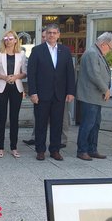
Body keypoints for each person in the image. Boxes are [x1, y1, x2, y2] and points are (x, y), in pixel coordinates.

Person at [26, 23, 75, 161]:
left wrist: (70, 91)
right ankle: (40, 150)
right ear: (45, 35)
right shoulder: (37, 50)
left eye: (54, 33)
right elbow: (32, 73)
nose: (52, 35)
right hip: (41, 95)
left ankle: (55, 150)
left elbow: (70, 73)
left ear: (58, 35)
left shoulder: (65, 51)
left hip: (59, 94)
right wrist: (33, 93)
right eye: (49, 33)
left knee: (57, 124)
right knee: (41, 123)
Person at [76, 32, 112, 161]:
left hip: (95, 97)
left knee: (95, 124)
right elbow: (94, 74)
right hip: (90, 96)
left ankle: (92, 149)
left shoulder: (96, 52)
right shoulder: (92, 53)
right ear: (104, 44)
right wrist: (106, 89)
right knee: (88, 124)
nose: (110, 51)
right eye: (110, 47)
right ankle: (82, 150)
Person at [0, 30, 27, 158]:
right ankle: (0, 147)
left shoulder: (21, 54)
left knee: (14, 118)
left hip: (16, 88)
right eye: (6, 38)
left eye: (11, 38)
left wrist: (15, 76)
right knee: (1, 118)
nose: (8, 40)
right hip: (2, 88)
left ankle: (14, 147)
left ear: (16, 40)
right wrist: (4, 77)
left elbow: (24, 72)